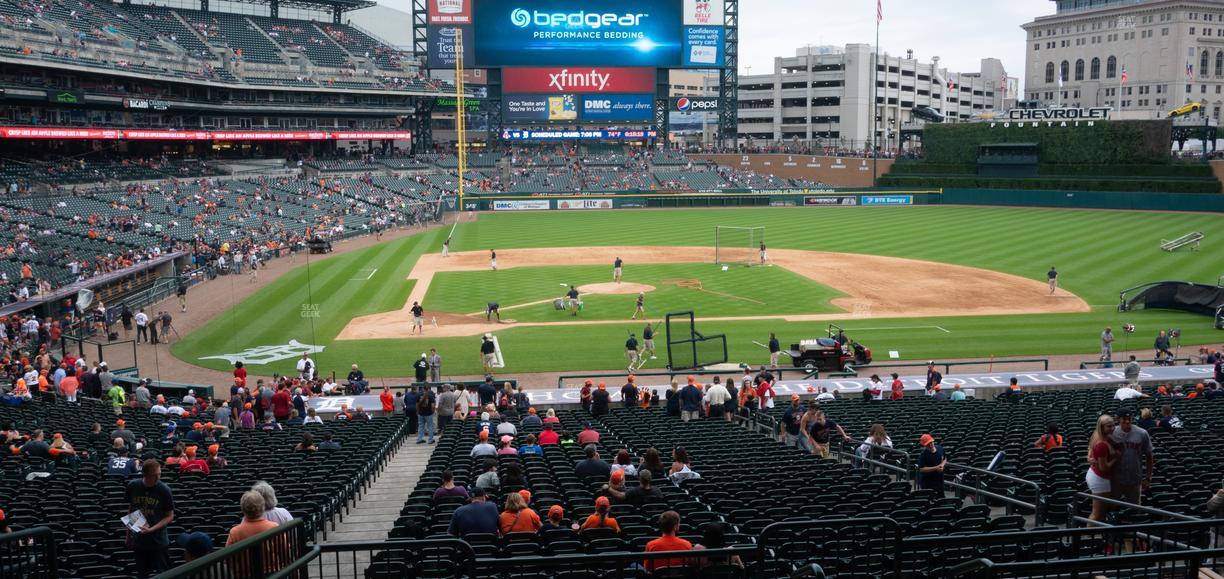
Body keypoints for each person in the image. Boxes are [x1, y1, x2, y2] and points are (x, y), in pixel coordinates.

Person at [127, 460, 175, 576]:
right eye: (155, 475)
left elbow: (170, 516)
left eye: (160, 473)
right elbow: (131, 510)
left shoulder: (164, 490)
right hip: (139, 540)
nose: (159, 477)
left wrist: (152, 529)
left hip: (159, 541)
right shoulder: (133, 486)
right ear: (145, 475)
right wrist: (128, 535)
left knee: (163, 573)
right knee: (142, 573)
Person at [1110, 408, 1154, 505]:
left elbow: (1149, 456)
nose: (1127, 421)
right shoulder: (1112, 433)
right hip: (1116, 479)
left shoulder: (1142, 433)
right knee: (1111, 507)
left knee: (1134, 509)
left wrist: (1148, 478)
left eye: (1129, 418)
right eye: (1124, 418)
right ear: (1118, 419)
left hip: (1134, 478)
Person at [1087, 414, 1119, 522]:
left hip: (1097, 475)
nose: (1112, 428)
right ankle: (1088, 536)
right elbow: (1104, 468)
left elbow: (1090, 449)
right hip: (1100, 478)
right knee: (1097, 514)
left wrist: (1089, 457)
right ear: (1102, 427)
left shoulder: (1102, 436)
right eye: (1108, 426)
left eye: (1113, 425)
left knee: (1101, 513)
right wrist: (1116, 458)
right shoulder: (1101, 443)